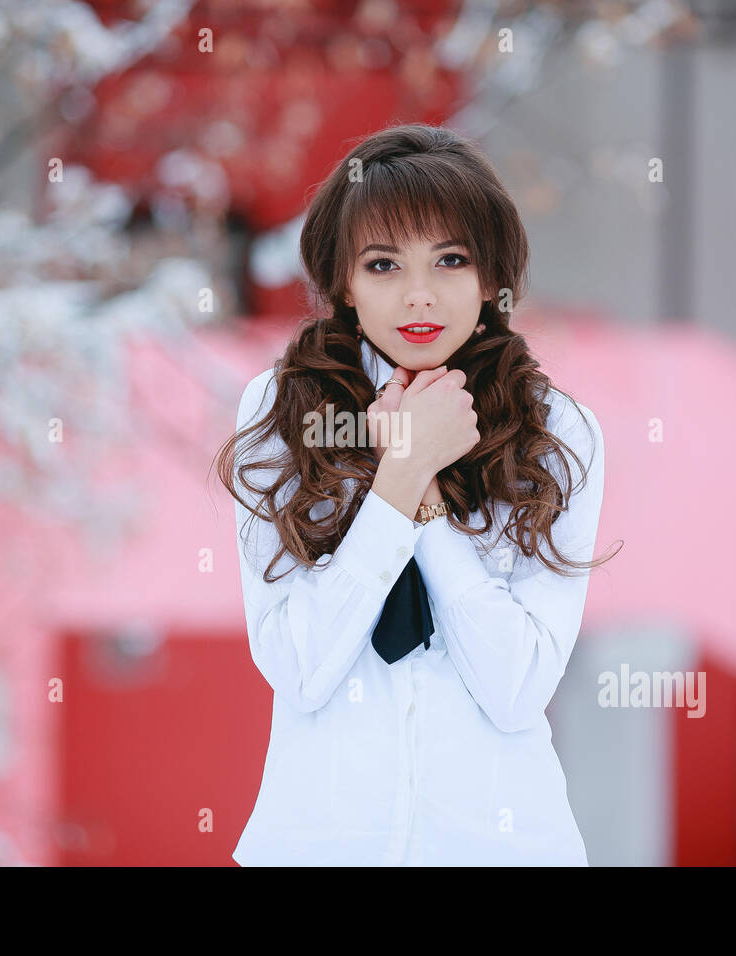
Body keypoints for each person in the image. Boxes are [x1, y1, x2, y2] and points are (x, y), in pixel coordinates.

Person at [214, 123, 618, 866]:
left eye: (452, 260)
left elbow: (517, 687)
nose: (420, 295)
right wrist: (397, 478)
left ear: (491, 274)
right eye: (383, 264)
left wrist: (426, 500)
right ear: (343, 282)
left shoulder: (555, 430)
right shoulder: (282, 413)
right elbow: (300, 668)